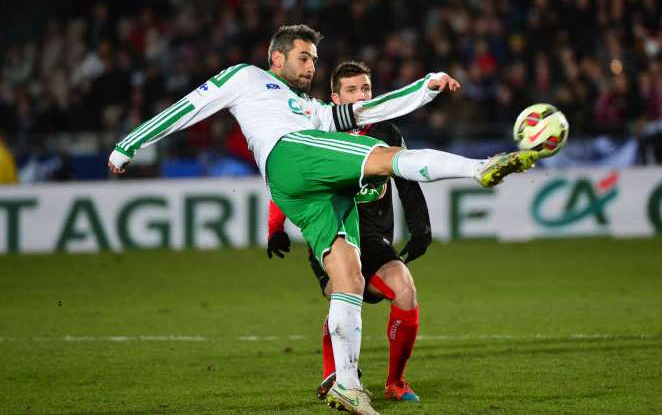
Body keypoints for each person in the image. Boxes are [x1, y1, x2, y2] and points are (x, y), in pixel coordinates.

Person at [107, 24, 538, 415]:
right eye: (304, 57)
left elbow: (363, 113)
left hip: (306, 189)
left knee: (347, 275)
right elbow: (189, 107)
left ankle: (346, 385)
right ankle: (481, 168)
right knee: (391, 160)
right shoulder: (246, 78)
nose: (312, 66)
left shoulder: (310, 108)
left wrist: (424, 89)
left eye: (314, 59)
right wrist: (128, 145)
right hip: (290, 154)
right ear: (275, 57)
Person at [266, 61, 430, 404]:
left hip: (375, 240)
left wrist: (420, 229)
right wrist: (275, 226)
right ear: (335, 98)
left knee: (405, 291)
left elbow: (407, 178)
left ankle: (396, 382)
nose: (361, 96)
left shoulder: (386, 131)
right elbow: (289, 179)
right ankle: (336, 374)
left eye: (366, 89)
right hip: (334, 234)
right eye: (352, 91)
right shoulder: (318, 131)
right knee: (345, 293)